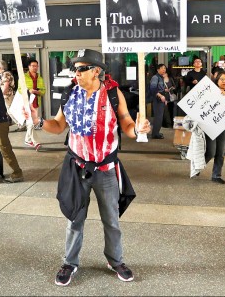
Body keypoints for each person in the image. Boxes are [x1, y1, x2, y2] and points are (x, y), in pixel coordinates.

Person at [25, 48, 151, 287]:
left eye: (81, 69)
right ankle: (69, 263)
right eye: (75, 68)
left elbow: (126, 123)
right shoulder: (70, 92)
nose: (76, 73)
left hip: (106, 169)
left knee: (111, 219)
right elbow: (58, 125)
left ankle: (115, 261)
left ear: (96, 71)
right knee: (75, 219)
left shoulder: (113, 94)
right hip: (77, 167)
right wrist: (38, 121)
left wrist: (138, 130)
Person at [204, 70, 225, 184]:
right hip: (210, 126)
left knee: (220, 152)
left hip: (223, 126)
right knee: (210, 152)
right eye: (222, 79)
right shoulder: (210, 91)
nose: (224, 82)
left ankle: (216, 175)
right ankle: (197, 167)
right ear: (217, 81)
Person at [18, 59, 45, 150]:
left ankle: (27, 139)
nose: (35, 68)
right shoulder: (23, 77)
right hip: (26, 103)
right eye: (33, 66)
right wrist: (29, 91)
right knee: (30, 123)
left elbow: (43, 91)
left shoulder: (40, 78)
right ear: (29, 67)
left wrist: (38, 92)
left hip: (36, 102)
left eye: (36, 66)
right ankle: (36, 142)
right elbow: (20, 89)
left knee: (32, 123)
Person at [149, 64, 167, 139]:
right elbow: (153, 89)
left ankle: (157, 132)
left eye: (165, 68)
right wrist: (160, 95)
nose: (164, 70)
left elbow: (160, 88)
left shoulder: (161, 77)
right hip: (157, 99)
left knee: (160, 116)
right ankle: (155, 134)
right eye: (162, 68)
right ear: (158, 69)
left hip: (161, 98)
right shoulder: (155, 77)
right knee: (158, 117)